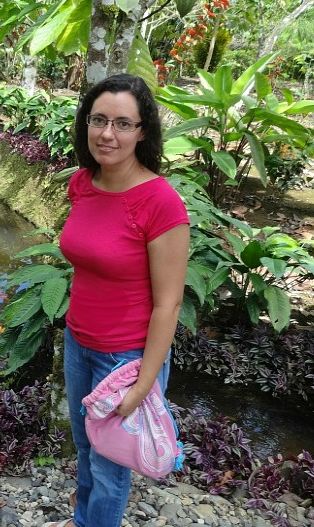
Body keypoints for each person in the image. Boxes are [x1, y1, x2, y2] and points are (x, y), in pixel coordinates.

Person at [47, 73, 190, 527]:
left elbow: (168, 305)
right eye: (99, 120)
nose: (108, 134)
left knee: (110, 469)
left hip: (124, 360)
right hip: (77, 344)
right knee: (86, 448)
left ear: (142, 130)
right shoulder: (83, 184)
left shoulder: (160, 202)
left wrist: (145, 384)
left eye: (123, 123)